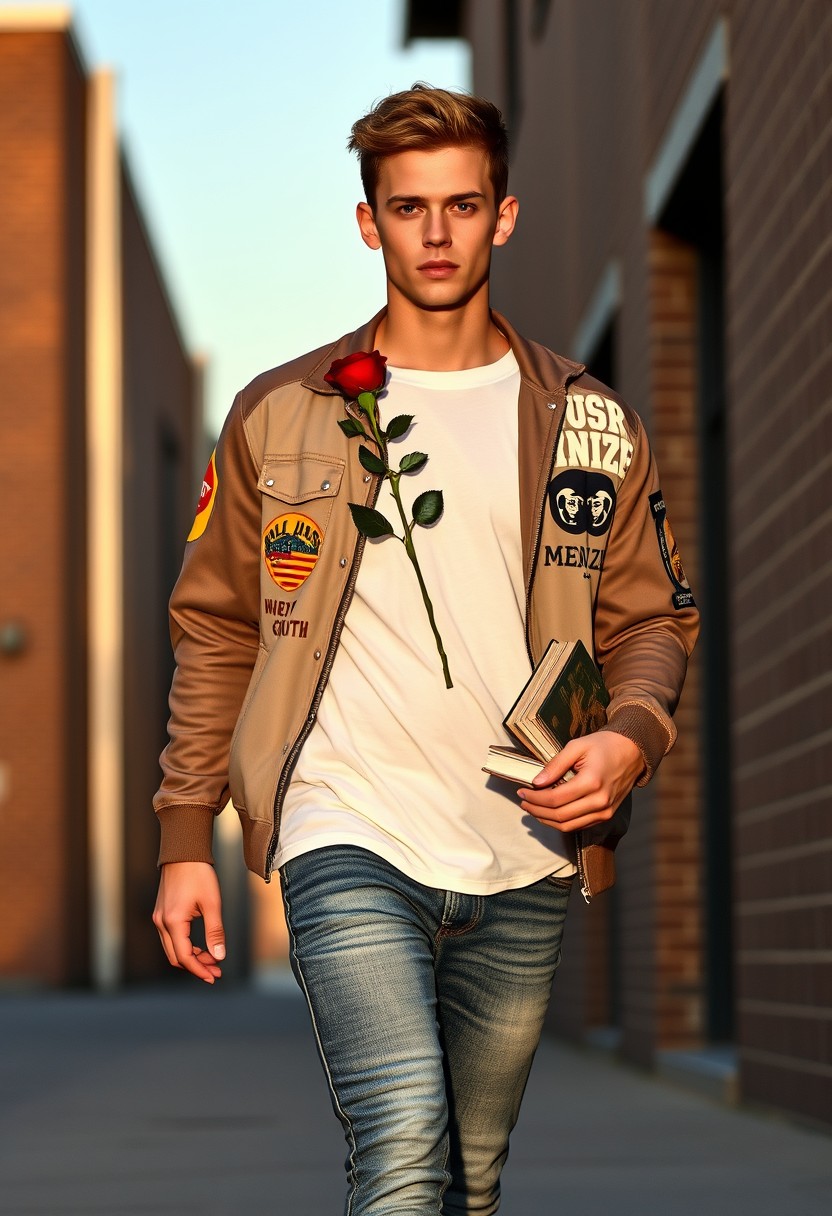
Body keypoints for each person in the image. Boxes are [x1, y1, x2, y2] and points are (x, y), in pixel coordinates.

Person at [152, 84, 699, 1215]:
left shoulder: (590, 422)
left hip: (524, 843)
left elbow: (649, 620)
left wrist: (631, 741)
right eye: (408, 208)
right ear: (369, 224)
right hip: (344, 821)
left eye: (462, 205)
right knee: (401, 1131)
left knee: (470, 1177)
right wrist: (182, 835)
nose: (437, 234)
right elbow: (215, 626)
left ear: (504, 215)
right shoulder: (279, 413)